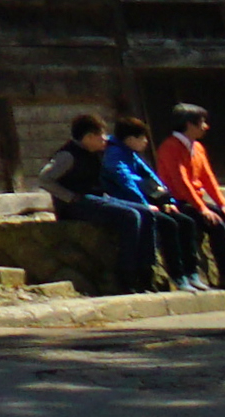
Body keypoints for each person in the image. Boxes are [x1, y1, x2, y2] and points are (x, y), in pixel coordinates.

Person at [48, 119, 162, 293]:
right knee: (130, 216)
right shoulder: (68, 155)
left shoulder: (95, 153)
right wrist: (69, 197)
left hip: (97, 198)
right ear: (89, 137)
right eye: (101, 137)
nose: (105, 141)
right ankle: (127, 275)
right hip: (75, 204)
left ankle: (146, 273)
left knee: (146, 212)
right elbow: (44, 179)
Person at [153, 105, 225, 292]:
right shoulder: (170, 147)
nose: (206, 127)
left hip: (196, 201)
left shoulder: (198, 148)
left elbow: (208, 179)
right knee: (217, 224)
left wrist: (224, 205)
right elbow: (181, 181)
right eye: (202, 122)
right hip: (179, 202)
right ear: (189, 124)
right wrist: (202, 208)